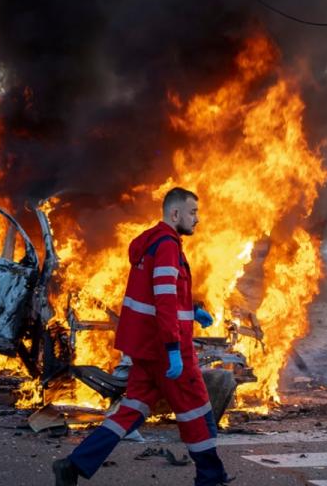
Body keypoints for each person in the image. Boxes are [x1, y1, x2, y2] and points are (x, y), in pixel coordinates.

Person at [53, 187, 229, 486]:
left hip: (146, 349)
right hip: (167, 351)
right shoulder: (168, 247)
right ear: (175, 214)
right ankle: (210, 477)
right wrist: (173, 347)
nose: (197, 219)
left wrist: (192, 308)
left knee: (132, 409)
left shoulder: (151, 243)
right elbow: (163, 297)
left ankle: (74, 464)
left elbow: (160, 292)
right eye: (193, 212)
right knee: (197, 410)